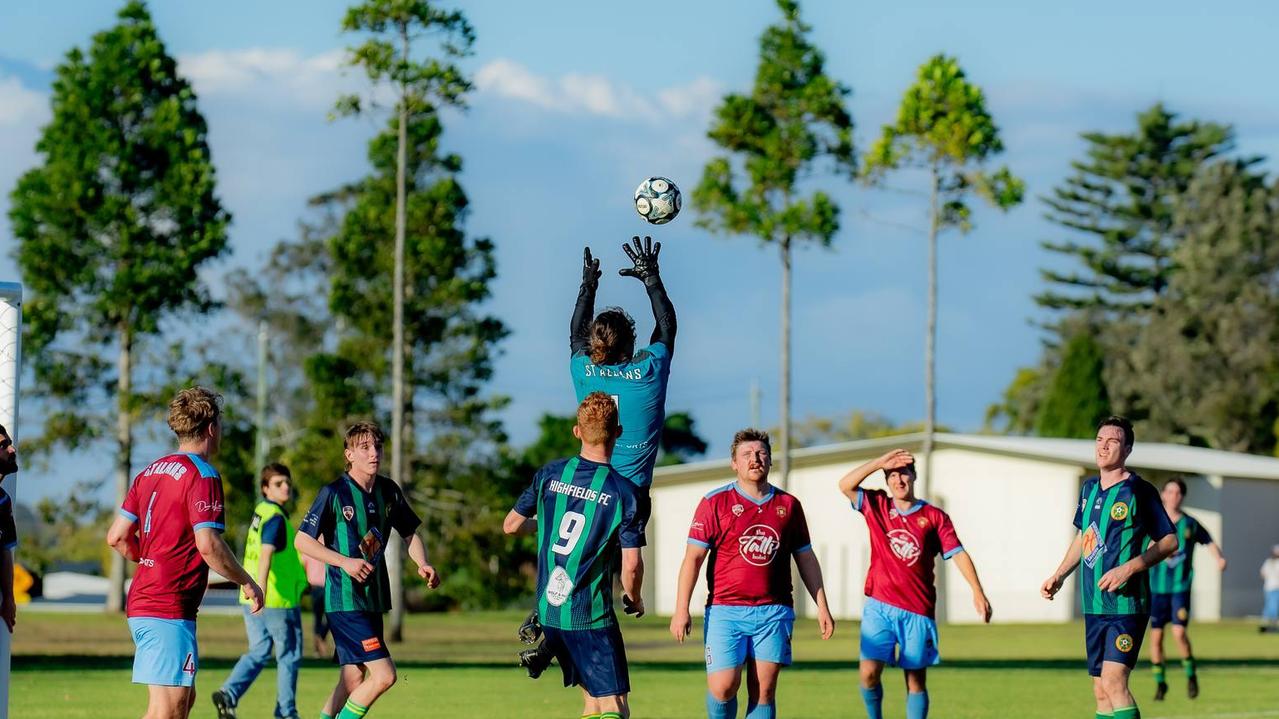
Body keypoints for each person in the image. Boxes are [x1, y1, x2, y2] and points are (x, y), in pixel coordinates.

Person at [515, 237, 676, 659]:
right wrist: (651, 278)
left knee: (577, 558)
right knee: (610, 572)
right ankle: (559, 635)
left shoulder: (583, 368)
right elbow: (667, 328)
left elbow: (574, 334)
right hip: (627, 491)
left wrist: (587, 285)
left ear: (596, 345)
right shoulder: (649, 371)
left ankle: (546, 622)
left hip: (584, 484)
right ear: (630, 344)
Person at [105, 387, 265, 719]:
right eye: (220, 424)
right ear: (211, 428)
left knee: (178, 703)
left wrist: (150, 560)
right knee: (171, 710)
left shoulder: (150, 471)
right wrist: (247, 582)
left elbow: (117, 537)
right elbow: (208, 545)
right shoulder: (203, 475)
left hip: (146, 598)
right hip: (168, 605)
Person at [671, 428, 835, 719]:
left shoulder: (789, 506)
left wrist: (822, 605)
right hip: (725, 610)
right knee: (723, 688)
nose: (755, 459)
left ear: (770, 461)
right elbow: (693, 559)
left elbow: (806, 558)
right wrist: (680, 609)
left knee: (764, 691)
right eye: (746, 454)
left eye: (761, 454)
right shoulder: (714, 503)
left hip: (774, 611)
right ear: (734, 463)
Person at [503, 391, 645, 719]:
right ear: (618, 433)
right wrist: (634, 598)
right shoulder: (625, 493)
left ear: (577, 431)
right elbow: (632, 565)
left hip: (550, 613)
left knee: (592, 703)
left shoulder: (550, 474)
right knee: (615, 706)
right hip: (590, 616)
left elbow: (511, 525)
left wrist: (547, 527)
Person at [294, 422, 441, 719]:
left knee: (353, 679)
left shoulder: (388, 491)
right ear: (349, 454)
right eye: (365, 448)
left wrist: (422, 563)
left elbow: (410, 534)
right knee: (385, 675)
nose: (374, 453)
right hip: (345, 601)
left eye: (378, 447)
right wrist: (344, 562)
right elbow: (302, 540)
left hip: (372, 599)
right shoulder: (334, 492)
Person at [837, 449, 993, 719]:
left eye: (904, 474)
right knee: (869, 673)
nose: (899, 480)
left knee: (915, 681)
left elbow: (957, 552)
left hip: (917, 611)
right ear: (886, 479)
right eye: (893, 475)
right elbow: (845, 485)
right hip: (879, 606)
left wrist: (977, 591)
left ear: (914, 476)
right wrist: (878, 462)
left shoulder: (934, 517)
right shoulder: (877, 505)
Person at [1041, 416, 1177, 719]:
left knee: (1115, 682)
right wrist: (1060, 574)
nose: (1103, 446)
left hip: (1127, 605)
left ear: (1127, 449)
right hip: (1094, 604)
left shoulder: (1139, 491)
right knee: (1100, 690)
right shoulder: (1089, 489)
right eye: (1100, 440)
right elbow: (1084, 537)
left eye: (1112, 441)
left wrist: (1128, 569)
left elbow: (1169, 542)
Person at [213, 464, 309, 719]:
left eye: (287, 482)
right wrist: (263, 590)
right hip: (276, 599)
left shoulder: (260, 512)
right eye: (278, 483)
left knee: (260, 649)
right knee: (289, 656)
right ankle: (286, 713)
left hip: (249, 596)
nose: (285, 487)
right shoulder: (276, 518)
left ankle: (229, 693)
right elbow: (265, 555)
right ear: (266, 488)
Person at [1147, 477, 1227, 701]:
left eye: (1178, 493)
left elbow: (1208, 540)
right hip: (1156, 589)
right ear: (1163, 494)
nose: (1173, 496)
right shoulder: (1152, 521)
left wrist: (1219, 558)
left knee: (1179, 633)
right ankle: (1160, 683)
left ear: (1182, 497)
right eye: (1170, 491)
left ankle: (1191, 676)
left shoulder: (1190, 523)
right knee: (1156, 637)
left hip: (1180, 588)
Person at [0, 423, 19, 633]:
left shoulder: (3, 501)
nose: (12, 450)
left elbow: (5, 550)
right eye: (3, 445)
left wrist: (9, 599)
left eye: (10, 444)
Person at [304, 550, 331, 657]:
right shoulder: (328, 546)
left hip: (324, 585)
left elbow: (303, 566)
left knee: (328, 616)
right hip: (317, 586)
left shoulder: (309, 545)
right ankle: (318, 647)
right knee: (320, 617)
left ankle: (320, 638)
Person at [1261, 545, 1279, 632]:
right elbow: (1263, 574)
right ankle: (1270, 625)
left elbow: (1262, 574)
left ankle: (1266, 625)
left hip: (1271, 587)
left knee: (1271, 607)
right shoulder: (1269, 562)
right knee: (1272, 607)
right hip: (1272, 588)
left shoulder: (1268, 562)